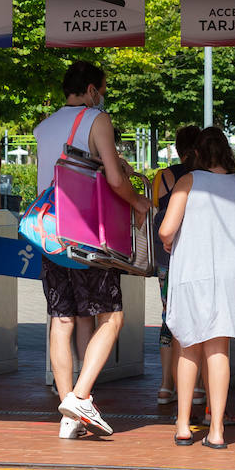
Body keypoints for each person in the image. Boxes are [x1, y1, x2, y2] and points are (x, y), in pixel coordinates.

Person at [34, 61, 150, 438]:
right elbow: (114, 179)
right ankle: (81, 398)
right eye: (103, 89)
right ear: (90, 89)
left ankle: (69, 415)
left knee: (64, 319)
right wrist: (138, 202)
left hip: (50, 235)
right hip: (86, 235)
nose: (104, 96)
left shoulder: (44, 126)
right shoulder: (97, 119)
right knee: (110, 317)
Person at [158, 127, 235, 449]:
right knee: (218, 349)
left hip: (194, 272)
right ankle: (216, 430)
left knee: (188, 345)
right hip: (230, 274)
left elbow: (167, 229)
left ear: (197, 153)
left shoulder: (188, 181)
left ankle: (183, 426)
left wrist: (170, 242)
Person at [152, 125, 202, 407]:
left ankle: (165, 386)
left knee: (168, 316)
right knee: (198, 318)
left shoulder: (165, 176)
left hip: (166, 258)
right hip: (196, 257)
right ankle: (198, 387)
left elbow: (156, 210)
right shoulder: (204, 176)